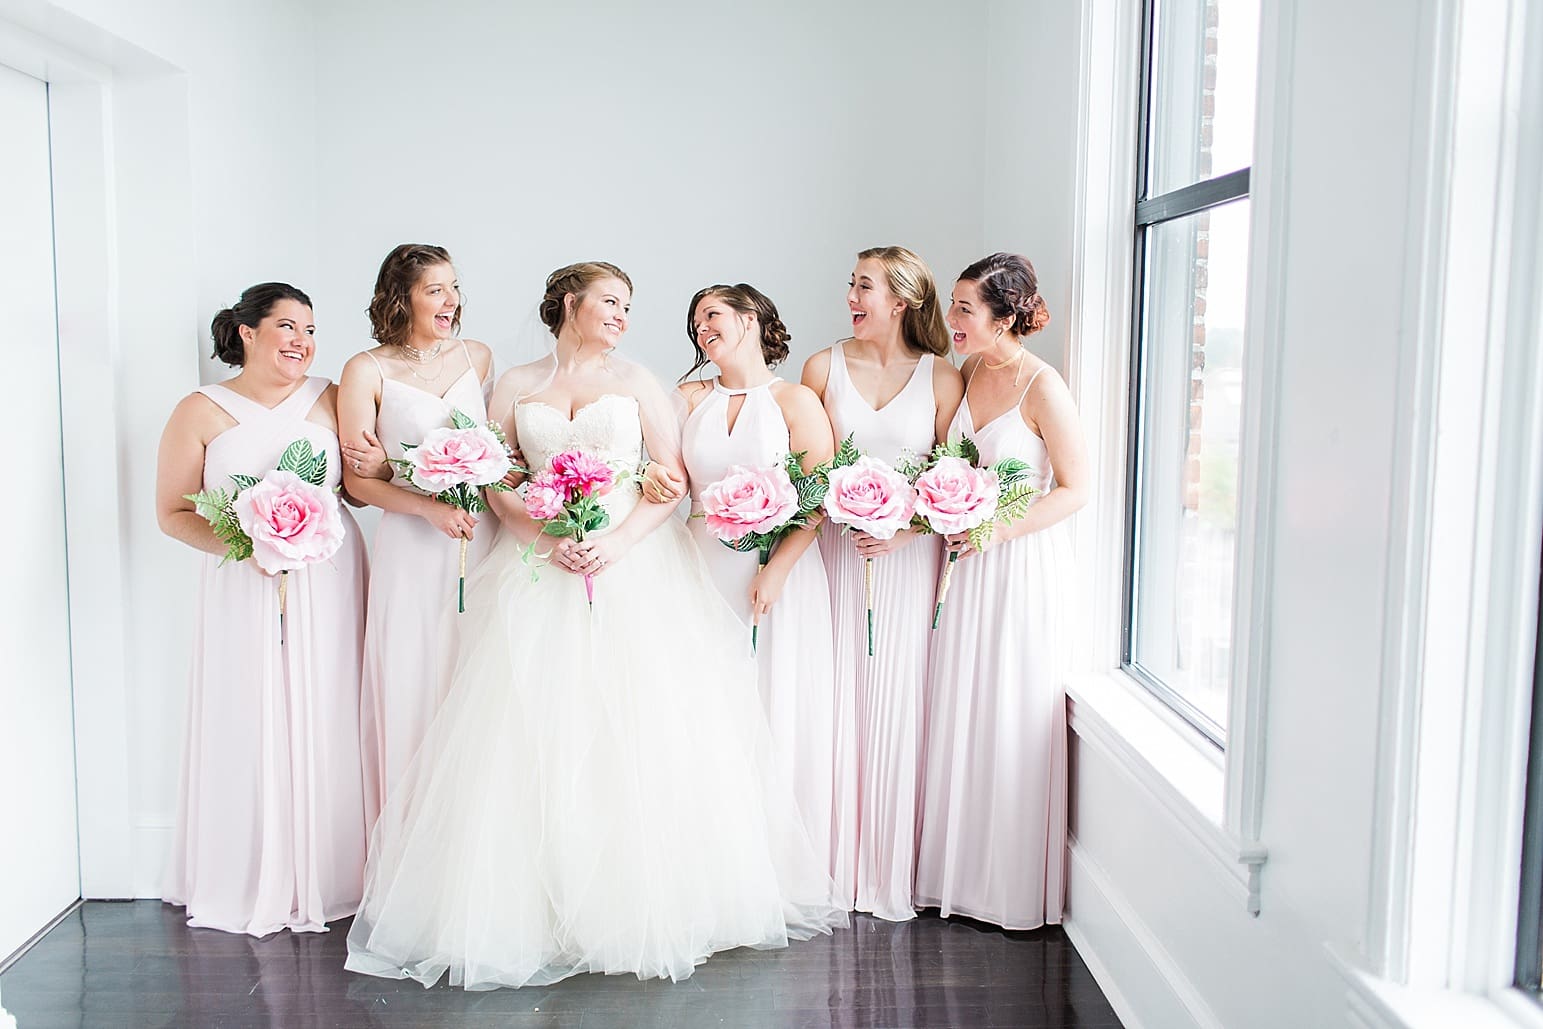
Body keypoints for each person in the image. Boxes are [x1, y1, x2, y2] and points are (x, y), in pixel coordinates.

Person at [345, 262, 846, 989]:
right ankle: (545, 903)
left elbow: (668, 483)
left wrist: (613, 541)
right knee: (536, 731)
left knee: (638, 728)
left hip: (630, 567)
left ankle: (643, 899)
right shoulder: (512, 384)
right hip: (540, 567)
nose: (621, 315)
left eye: (628, 306)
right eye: (610, 302)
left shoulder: (641, 381)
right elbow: (497, 480)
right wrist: (544, 540)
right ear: (570, 304)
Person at [155, 282, 376, 935]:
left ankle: (339, 869)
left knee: (333, 709)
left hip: (330, 576)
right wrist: (247, 544)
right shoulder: (198, 409)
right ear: (246, 332)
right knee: (248, 709)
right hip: (243, 580)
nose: (301, 341)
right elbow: (171, 512)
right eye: (286, 326)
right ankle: (250, 869)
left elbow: (359, 491)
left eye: (309, 328)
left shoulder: (331, 397)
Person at [644, 282, 848, 887]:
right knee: (702, 704)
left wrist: (777, 568)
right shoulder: (684, 399)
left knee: (772, 700)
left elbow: (817, 499)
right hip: (698, 564)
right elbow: (656, 466)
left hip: (775, 573)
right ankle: (708, 862)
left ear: (751, 317)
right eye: (695, 322)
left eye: (713, 314)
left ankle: (778, 863)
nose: (702, 328)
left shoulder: (795, 401)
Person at [915, 253, 1088, 929]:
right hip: (963, 564)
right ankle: (956, 874)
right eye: (952, 306)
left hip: (1017, 566)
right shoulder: (968, 371)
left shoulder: (1042, 387)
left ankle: (1007, 885)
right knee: (960, 703)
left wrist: (997, 528)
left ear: (1004, 313)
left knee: (1007, 708)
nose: (951, 319)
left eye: (964, 308)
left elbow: (1075, 488)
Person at [800, 245, 963, 921]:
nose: (850, 296)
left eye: (862, 285)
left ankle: (891, 867)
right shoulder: (820, 367)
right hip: (834, 558)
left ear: (900, 300)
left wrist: (903, 530)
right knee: (832, 702)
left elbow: (958, 485)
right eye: (850, 284)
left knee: (898, 705)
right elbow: (801, 465)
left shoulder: (942, 379)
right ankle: (827, 867)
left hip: (906, 563)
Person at [338, 243, 497, 827]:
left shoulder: (478, 358)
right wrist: (425, 506)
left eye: (454, 287)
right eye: (435, 289)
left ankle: (473, 831)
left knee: (477, 672)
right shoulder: (365, 369)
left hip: (479, 535)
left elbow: (497, 453)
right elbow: (359, 482)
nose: (451, 300)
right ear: (400, 296)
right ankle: (411, 836)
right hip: (412, 543)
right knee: (414, 676)